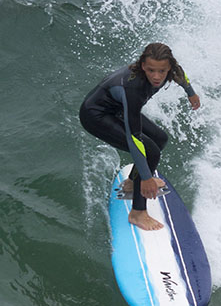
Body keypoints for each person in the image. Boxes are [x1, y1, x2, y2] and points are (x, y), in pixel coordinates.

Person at [79, 43, 201, 231]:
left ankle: (131, 183)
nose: (156, 76)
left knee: (160, 139)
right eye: (151, 70)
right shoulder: (133, 88)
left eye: (162, 71)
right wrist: (146, 177)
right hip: (96, 116)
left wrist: (191, 93)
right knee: (150, 151)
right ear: (143, 65)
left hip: (118, 109)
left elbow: (180, 75)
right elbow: (134, 137)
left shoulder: (171, 70)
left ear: (168, 67)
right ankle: (137, 212)